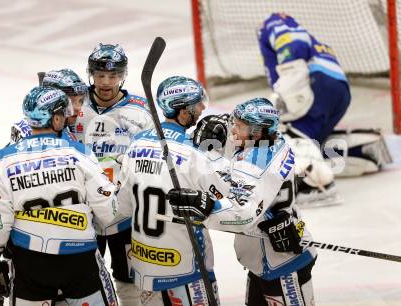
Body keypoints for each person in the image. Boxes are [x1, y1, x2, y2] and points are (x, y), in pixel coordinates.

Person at [0, 86, 120, 305]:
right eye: (63, 114)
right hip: (80, 261)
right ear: (55, 119)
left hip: (30, 264)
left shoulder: (3, 159)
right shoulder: (79, 153)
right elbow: (108, 212)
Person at [169, 98, 317, 306]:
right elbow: (235, 153)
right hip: (270, 253)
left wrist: (207, 206)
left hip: (281, 263)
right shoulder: (272, 141)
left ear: (257, 131)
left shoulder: (255, 166)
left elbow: (241, 217)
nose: (233, 130)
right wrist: (217, 125)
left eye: (238, 126)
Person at [258, 13, 392, 202]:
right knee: (310, 138)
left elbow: (294, 46)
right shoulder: (307, 38)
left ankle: (315, 185)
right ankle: (362, 150)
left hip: (318, 85)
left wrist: (280, 97)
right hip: (337, 91)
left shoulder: (271, 25)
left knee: (286, 136)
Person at [116, 76, 226, 305]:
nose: (203, 107)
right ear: (183, 112)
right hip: (187, 267)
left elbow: (122, 208)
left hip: (145, 268)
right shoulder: (193, 153)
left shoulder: (135, 144)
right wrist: (216, 157)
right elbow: (226, 202)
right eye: (197, 104)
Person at [74, 43, 154, 305]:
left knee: (130, 279)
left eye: (113, 75)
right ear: (91, 75)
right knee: (84, 281)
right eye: (99, 75)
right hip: (83, 211)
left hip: (126, 211)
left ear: (123, 75)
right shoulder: (74, 105)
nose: (106, 82)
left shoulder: (141, 111)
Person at [10, 68, 88, 144]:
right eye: (71, 102)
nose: (78, 108)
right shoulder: (27, 129)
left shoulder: (72, 126)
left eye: (80, 101)